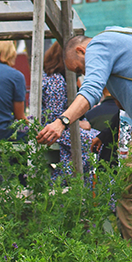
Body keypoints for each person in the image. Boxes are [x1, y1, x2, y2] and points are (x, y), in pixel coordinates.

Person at [37, 29, 132, 241]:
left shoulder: (97, 47)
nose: (83, 72)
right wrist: (105, 135)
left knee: (131, 199)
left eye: (79, 68)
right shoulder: (125, 36)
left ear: (80, 50)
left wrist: (61, 122)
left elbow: (92, 90)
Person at [41, 42, 99, 180]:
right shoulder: (56, 81)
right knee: (96, 141)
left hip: (61, 128)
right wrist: (79, 123)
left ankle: (69, 183)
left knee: (74, 153)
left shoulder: (54, 78)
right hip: (54, 129)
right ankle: (72, 182)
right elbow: (54, 116)